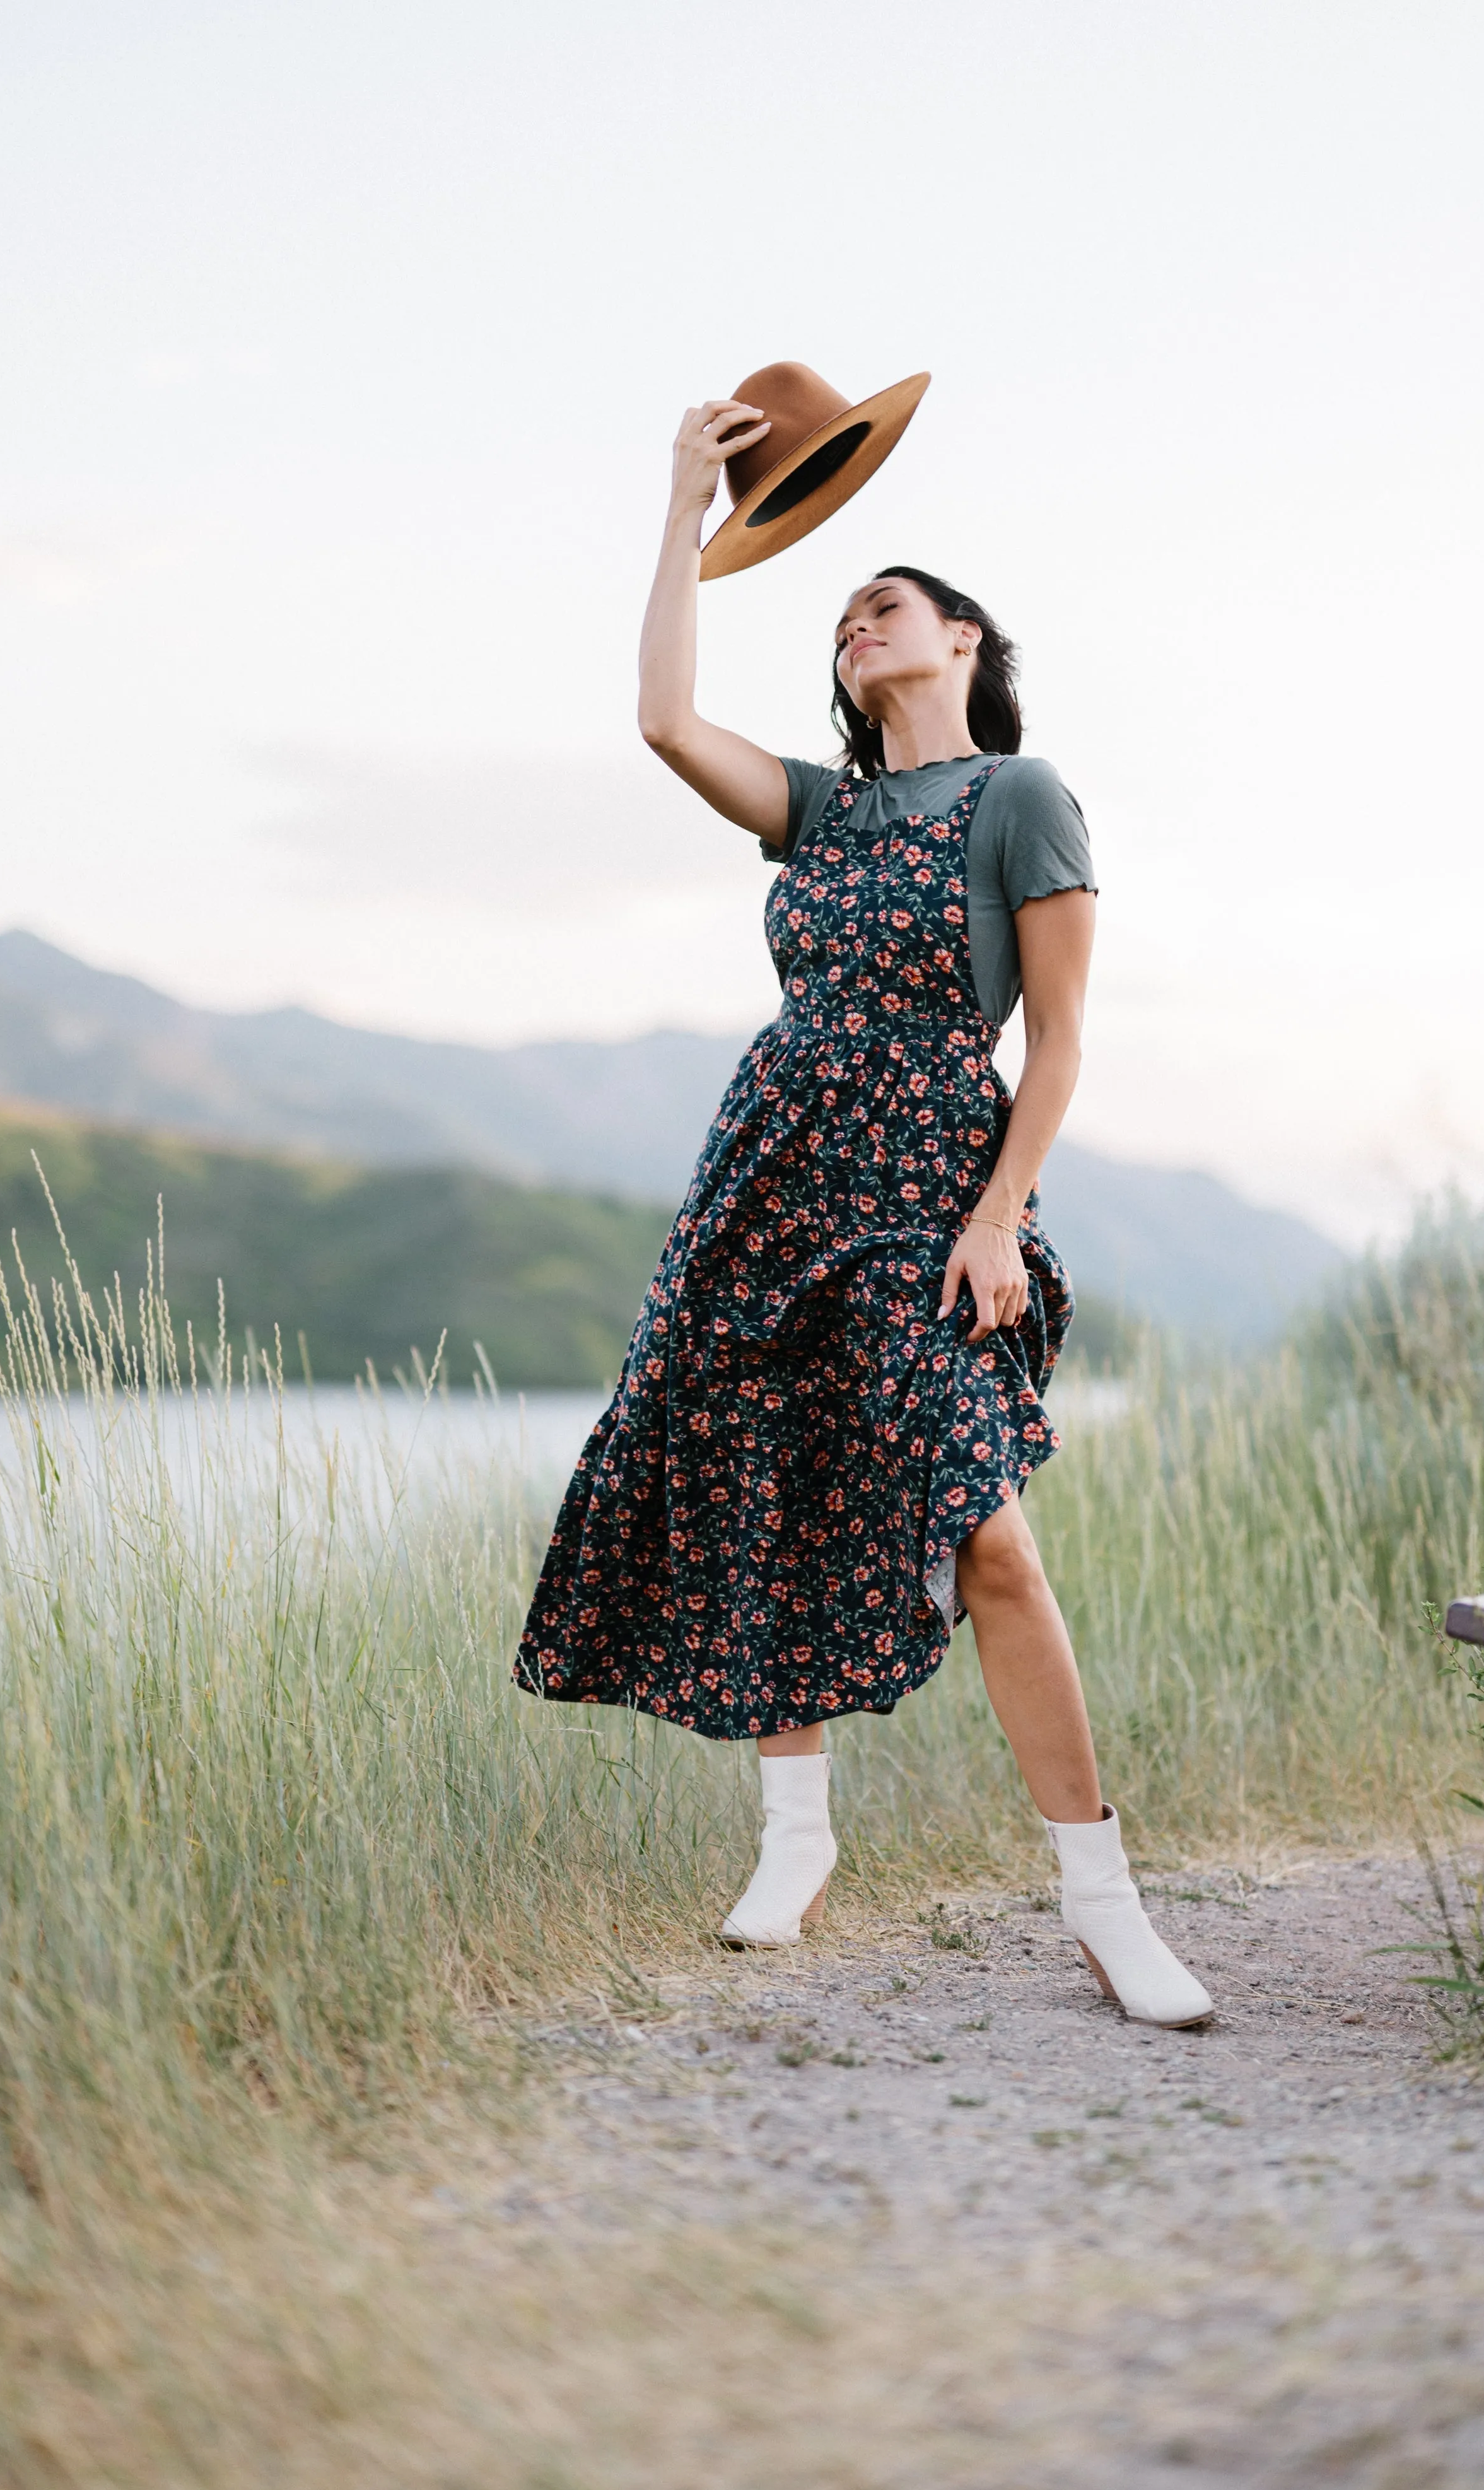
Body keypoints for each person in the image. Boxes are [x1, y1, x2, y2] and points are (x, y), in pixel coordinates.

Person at [515, 396, 1211, 2029]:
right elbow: (663, 716)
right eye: (840, 617)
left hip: (926, 1182)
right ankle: (794, 1839)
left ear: (961, 639)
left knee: (988, 1542)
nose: (853, 623)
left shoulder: (1016, 796)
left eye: (883, 602)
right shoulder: (822, 814)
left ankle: (1104, 1903)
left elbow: (1058, 1038)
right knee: (761, 1496)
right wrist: (686, 512)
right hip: (767, 1176)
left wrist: (994, 1217)